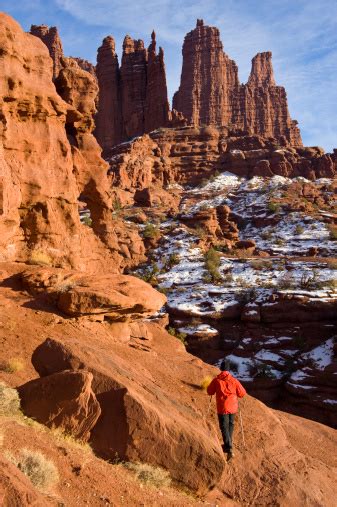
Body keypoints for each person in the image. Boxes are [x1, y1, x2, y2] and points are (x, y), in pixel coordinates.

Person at [207, 359, 246, 458]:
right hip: (233, 407)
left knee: (224, 427)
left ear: (221, 369)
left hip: (222, 407)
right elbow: (242, 393)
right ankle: (228, 444)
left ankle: (229, 448)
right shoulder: (234, 380)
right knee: (230, 425)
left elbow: (209, 391)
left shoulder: (217, 380)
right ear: (228, 370)